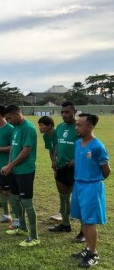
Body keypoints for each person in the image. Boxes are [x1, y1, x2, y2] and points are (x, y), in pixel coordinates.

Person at [70, 113, 110, 268]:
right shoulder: (78, 143)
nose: (76, 127)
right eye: (76, 124)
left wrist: (94, 183)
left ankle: (93, 254)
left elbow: (107, 171)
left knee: (89, 221)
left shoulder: (97, 146)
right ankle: (88, 249)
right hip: (78, 185)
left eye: (79, 124)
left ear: (90, 126)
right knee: (83, 219)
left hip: (91, 186)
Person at [1, 105, 39, 247]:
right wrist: (9, 165)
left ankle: (34, 236)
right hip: (14, 170)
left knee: (27, 203)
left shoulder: (28, 128)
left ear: (17, 113)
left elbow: (26, 151)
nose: (8, 121)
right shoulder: (16, 128)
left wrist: (10, 165)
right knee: (14, 200)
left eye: (9, 118)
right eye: (6, 119)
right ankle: (21, 227)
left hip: (25, 171)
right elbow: (13, 148)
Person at [49, 102, 81, 237]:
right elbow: (57, 144)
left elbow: (87, 145)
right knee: (63, 198)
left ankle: (83, 231)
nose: (64, 115)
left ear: (74, 111)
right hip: (61, 167)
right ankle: (65, 224)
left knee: (78, 200)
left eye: (67, 112)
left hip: (76, 168)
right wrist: (54, 159)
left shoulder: (80, 127)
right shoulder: (60, 127)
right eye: (62, 112)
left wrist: (76, 159)